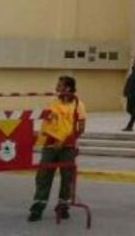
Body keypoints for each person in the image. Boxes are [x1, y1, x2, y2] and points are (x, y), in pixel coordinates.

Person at [28, 76, 87, 223]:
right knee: (43, 176)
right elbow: (47, 122)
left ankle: (63, 206)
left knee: (67, 177)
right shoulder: (53, 102)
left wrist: (64, 141)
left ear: (68, 88)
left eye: (60, 85)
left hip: (67, 147)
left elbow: (81, 128)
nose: (56, 87)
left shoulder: (79, 105)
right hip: (49, 144)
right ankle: (38, 207)